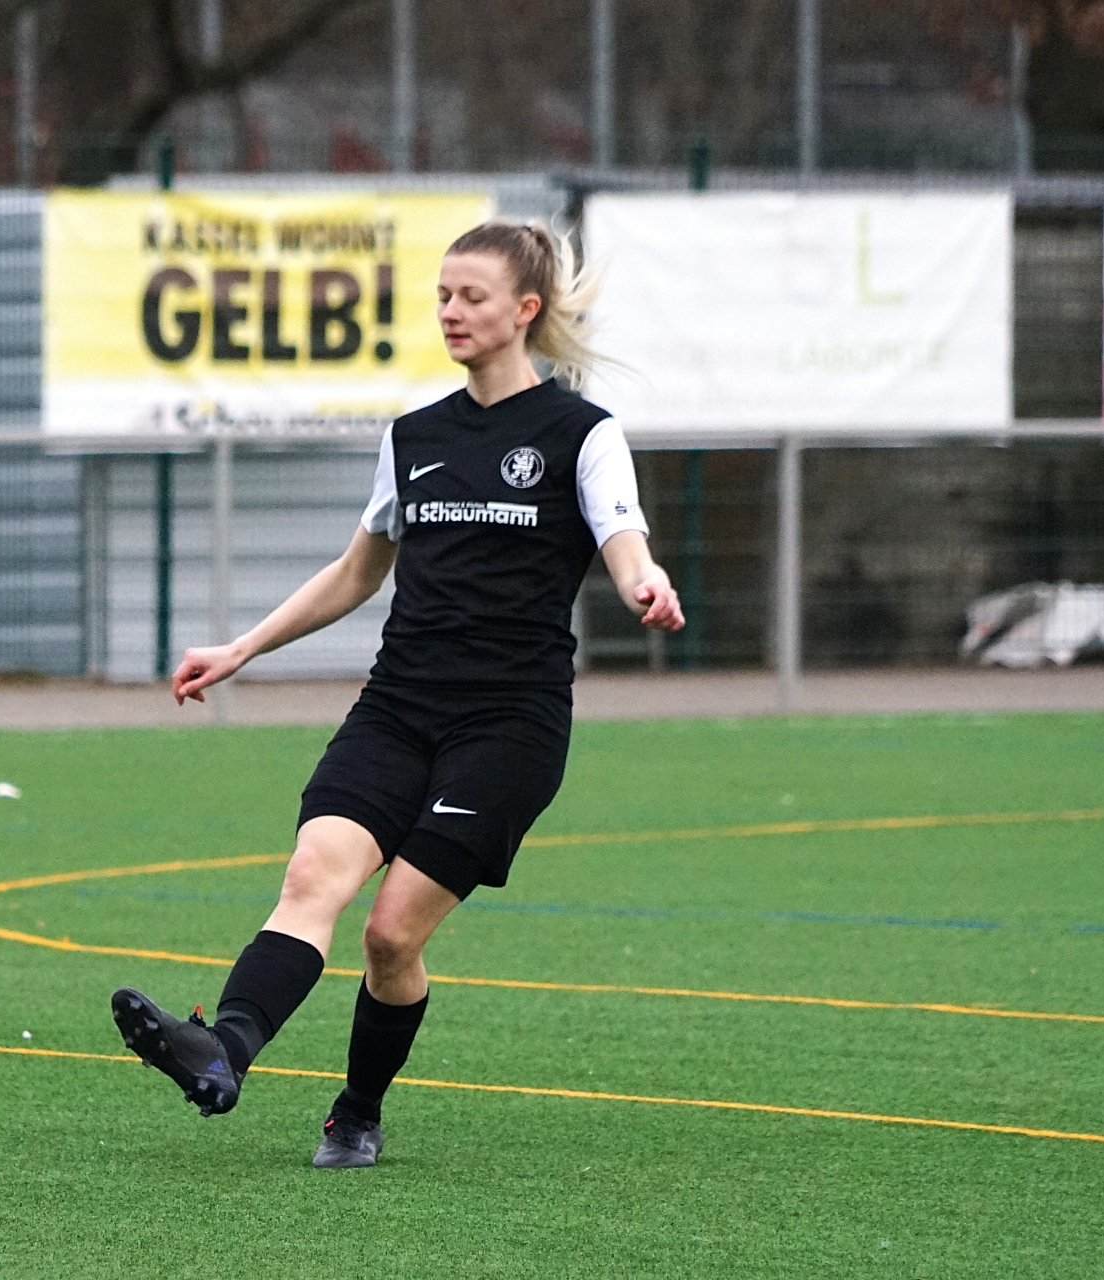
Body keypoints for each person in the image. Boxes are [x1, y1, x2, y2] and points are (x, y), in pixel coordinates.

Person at [110, 220, 684, 1168]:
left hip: (508, 727)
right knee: (312, 878)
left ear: (525, 310)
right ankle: (222, 1051)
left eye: (471, 297)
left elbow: (625, 543)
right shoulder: (415, 437)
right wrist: (243, 647)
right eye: (443, 296)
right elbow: (355, 573)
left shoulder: (582, 434)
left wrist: (644, 584)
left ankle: (358, 1110)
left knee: (389, 936)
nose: (451, 312)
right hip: (398, 706)